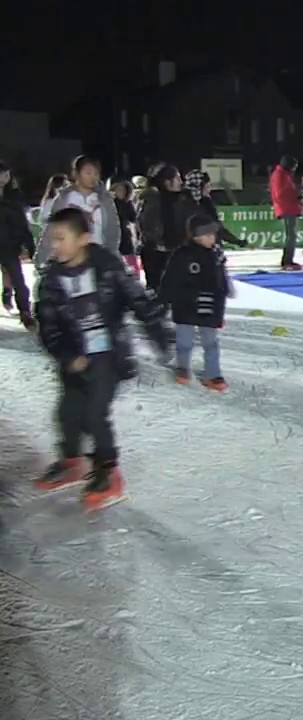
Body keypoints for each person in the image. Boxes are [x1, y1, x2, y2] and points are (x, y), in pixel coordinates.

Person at [32, 208, 172, 511]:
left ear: (83, 238)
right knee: (69, 414)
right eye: (52, 239)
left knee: (95, 415)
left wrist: (159, 333)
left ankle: (108, 470)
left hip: (108, 356)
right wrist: (68, 356)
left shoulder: (108, 267)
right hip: (74, 359)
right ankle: (72, 461)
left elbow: (138, 300)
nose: (55, 245)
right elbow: (49, 328)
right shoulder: (51, 281)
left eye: (61, 238)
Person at [162, 214, 232, 391]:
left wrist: (222, 305)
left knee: (211, 343)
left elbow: (221, 282)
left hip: (209, 307)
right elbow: (171, 279)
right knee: (184, 342)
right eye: (207, 235)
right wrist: (163, 299)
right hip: (186, 306)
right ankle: (183, 368)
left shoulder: (216, 255)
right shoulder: (182, 255)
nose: (211, 238)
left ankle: (213, 374)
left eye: (213, 234)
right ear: (195, 236)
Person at [36, 156, 121, 264]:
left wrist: (112, 255)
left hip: (98, 256)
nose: (93, 177)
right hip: (69, 258)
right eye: (88, 173)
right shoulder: (64, 199)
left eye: (96, 173)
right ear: (76, 174)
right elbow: (51, 228)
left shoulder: (105, 200)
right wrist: (42, 257)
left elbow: (113, 228)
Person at [137, 165, 194, 291]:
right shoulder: (152, 199)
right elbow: (145, 224)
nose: (181, 182)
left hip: (176, 251)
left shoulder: (181, 199)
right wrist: (157, 243)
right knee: (157, 289)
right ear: (167, 182)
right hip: (155, 254)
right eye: (177, 178)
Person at [0, 161, 36, 328]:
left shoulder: (14, 196)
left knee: (18, 279)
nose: (3, 178)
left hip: (9, 245)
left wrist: (29, 244)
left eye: (6, 174)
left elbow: (21, 222)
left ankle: (25, 311)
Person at [181, 170, 246, 249]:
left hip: (210, 249)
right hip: (193, 250)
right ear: (198, 187)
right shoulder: (184, 205)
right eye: (207, 187)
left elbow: (218, 228)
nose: (209, 190)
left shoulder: (206, 203)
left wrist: (236, 241)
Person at [270, 155, 302, 270]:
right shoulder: (279, 175)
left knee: (292, 235)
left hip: (289, 207)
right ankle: (287, 261)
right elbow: (280, 194)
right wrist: (295, 196)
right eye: (294, 166)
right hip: (286, 208)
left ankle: (288, 260)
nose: (295, 168)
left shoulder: (284, 174)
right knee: (291, 235)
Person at [110, 179, 140, 275]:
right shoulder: (110, 203)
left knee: (129, 257)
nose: (120, 192)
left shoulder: (128, 204)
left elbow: (133, 218)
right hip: (113, 234)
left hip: (125, 234)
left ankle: (133, 276)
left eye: (123, 190)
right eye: (118, 189)